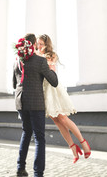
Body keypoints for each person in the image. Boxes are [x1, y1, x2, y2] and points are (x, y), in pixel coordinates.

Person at [36, 34, 91, 164]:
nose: (39, 46)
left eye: (41, 44)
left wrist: (40, 56)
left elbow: (51, 69)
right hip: (43, 90)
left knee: (62, 117)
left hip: (52, 89)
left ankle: (83, 142)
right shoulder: (36, 54)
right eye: (37, 44)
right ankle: (73, 147)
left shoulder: (51, 55)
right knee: (56, 120)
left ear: (46, 44)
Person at [13, 33, 58, 177]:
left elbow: (14, 84)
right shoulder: (40, 61)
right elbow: (54, 81)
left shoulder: (16, 62)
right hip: (36, 103)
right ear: (33, 45)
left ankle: (20, 168)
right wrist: (52, 66)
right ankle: (38, 173)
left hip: (20, 102)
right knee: (39, 138)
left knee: (26, 132)